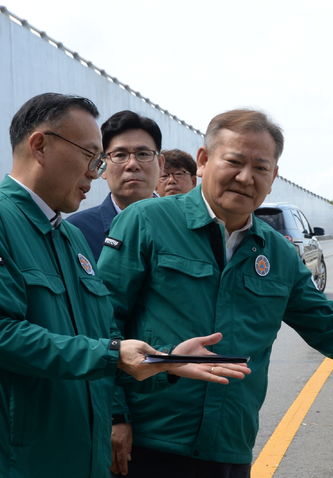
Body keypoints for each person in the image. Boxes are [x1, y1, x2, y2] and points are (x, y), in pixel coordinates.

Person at [98, 109, 333, 478]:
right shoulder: (147, 223)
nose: (246, 178)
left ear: (274, 175)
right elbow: (102, 321)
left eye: (260, 168)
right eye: (234, 162)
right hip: (148, 441)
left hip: (228, 443)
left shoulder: (276, 253)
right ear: (203, 160)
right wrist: (115, 416)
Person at [0, 93, 250, 478]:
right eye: (91, 156)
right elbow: (6, 335)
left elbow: (101, 339)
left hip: (84, 459)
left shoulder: (70, 240)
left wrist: (165, 361)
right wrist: (113, 354)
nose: (95, 172)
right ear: (39, 145)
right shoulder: (5, 222)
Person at [67, 110, 165, 260]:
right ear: (102, 167)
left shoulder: (182, 228)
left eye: (143, 154)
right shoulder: (76, 232)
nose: (132, 164)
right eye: (120, 155)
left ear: (160, 164)